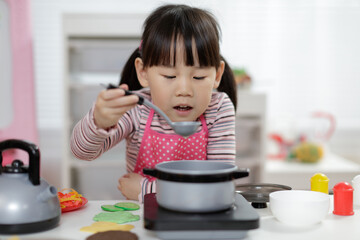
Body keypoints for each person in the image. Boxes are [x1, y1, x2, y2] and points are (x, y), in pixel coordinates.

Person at [70, 4, 237, 202]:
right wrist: (99, 121)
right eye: (169, 75)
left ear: (217, 75)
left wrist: (146, 189)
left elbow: (219, 185)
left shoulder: (218, 109)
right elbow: (82, 152)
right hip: (142, 219)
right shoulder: (137, 108)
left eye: (199, 77)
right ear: (143, 72)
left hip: (200, 217)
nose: (184, 90)